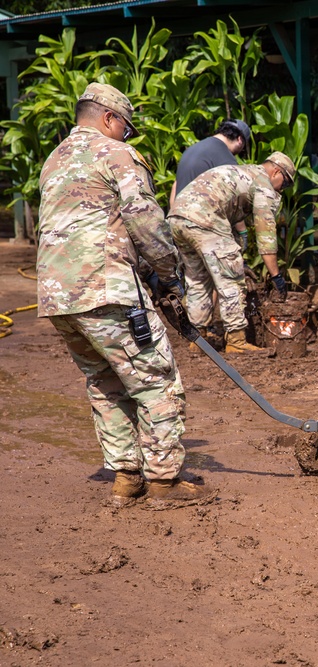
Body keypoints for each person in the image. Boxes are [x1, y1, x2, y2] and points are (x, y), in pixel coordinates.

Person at [36, 82, 213, 508]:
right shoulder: (116, 154)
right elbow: (146, 222)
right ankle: (164, 482)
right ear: (109, 119)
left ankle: (127, 476)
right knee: (156, 381)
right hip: (107, 287)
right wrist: (171, 277)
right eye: (126, 128)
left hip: (58, 296)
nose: (128, 137)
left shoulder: (53, 160)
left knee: (105, 381)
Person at [167, 153, 296, 352]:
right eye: (285, 184)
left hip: (178, 217)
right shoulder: (264, 184)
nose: (282, 189)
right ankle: (236, 342)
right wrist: (276, 275)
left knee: (198, 279)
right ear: (277, 172)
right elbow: (266, 233)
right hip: (204, 218)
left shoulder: (244, 171)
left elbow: (227, 201)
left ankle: (198, 340)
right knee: (232, 280)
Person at [169, 118, 252, 207]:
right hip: (200, 216)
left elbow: (175, 187)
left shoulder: (192, 149)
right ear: (240, 140)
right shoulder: (226, 158)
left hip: (177, 214)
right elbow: (234, 201)